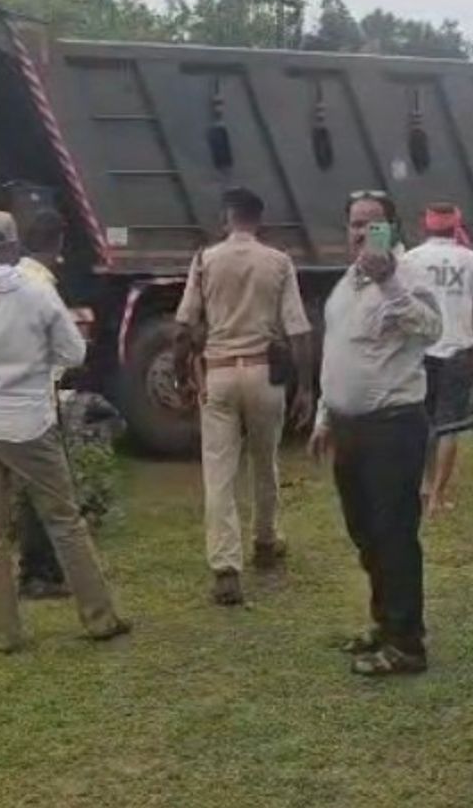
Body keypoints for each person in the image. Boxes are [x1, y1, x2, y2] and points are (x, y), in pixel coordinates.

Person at [0, 210, 129, 653]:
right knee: (64, 521)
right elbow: (74, 353)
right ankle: (99, 617)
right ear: (15, 247)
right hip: (28, 425)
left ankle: (5, 633)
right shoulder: (37, 295)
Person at [308, 191, 442, 676]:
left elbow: (432, 330)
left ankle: (407, 645)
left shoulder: (409, 276)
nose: (362, 233)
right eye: (355, 224)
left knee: (394, 535)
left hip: (392, 429)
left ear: (392, 229)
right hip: (349, 431)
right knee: (365, 535)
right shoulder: (345, 283)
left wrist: (389, 283)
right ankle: (385, 623)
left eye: (373, 224)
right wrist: (325, 415)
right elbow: (338, 351)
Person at [174, 187, 315, 607]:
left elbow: (184, 327)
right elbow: (299, 330)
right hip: (263, 372)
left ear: (226, 218)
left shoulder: (204, 260)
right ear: (260, 220)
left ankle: (226, 568)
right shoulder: (279, 262)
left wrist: (183, 374)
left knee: (219, 472)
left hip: (218, 374)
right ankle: (266, 541)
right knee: (264, 461)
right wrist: (305, 387)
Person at [404, 203, 473, 517]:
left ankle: (423, 486)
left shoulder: (411, 259)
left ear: (426, 226)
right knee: (449, 424)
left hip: (421, 352)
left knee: (422, 421)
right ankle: (437, 499)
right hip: (458, 351)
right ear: (455, 225)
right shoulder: (469, 259)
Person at [15, 209, 72, 600]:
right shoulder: (43, 286)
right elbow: (67, 349)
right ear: (59, 243)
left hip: (9, 398)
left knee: (30, 490)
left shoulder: (11, 277)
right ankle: (41, 572)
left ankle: (37, 568)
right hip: (37, 399)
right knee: (49, 491)